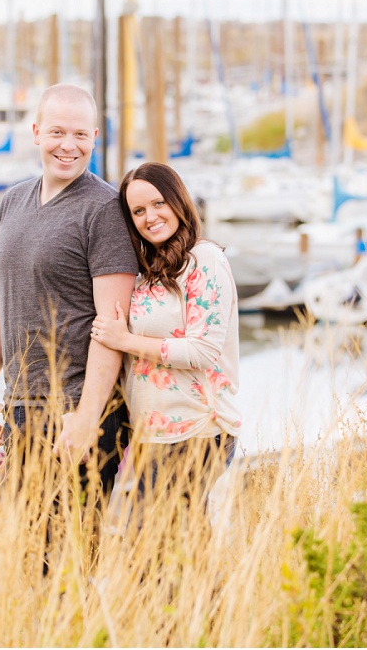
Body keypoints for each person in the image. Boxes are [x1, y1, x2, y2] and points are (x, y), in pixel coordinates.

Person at [0, 83, 138, 505]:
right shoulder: (11, 202)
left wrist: (86, 418)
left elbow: (111, 325)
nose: (69, 145)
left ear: (95, 138)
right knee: (25, 555)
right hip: (19, 408)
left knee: (72, 556)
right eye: (58, 132)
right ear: (37, 132)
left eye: (81, 135)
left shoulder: (104, 210)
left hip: (77, 414)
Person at [89, 161, 242, 513]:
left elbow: (203, 349)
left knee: (156, 551)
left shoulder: (204, 259)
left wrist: (125, 340)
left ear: (178, 200)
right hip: (155, 435)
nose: (150, 217)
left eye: (158, 203)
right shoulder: (149, 273)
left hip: (198, 429)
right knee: (179, 552)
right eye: (138, 211)